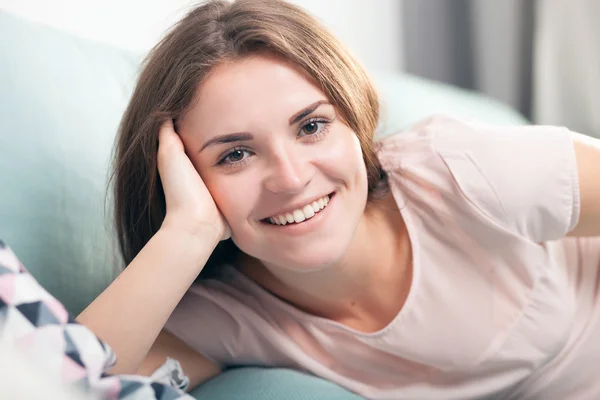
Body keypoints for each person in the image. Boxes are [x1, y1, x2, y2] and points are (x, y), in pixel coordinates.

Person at [77, 0, 600, 398]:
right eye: (234, 155)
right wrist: (185, 233)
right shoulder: (226, 318)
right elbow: (58, 383)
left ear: (356, 124)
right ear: (184, 179)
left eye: (311, 125)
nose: (290, 177)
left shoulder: (460, 169)